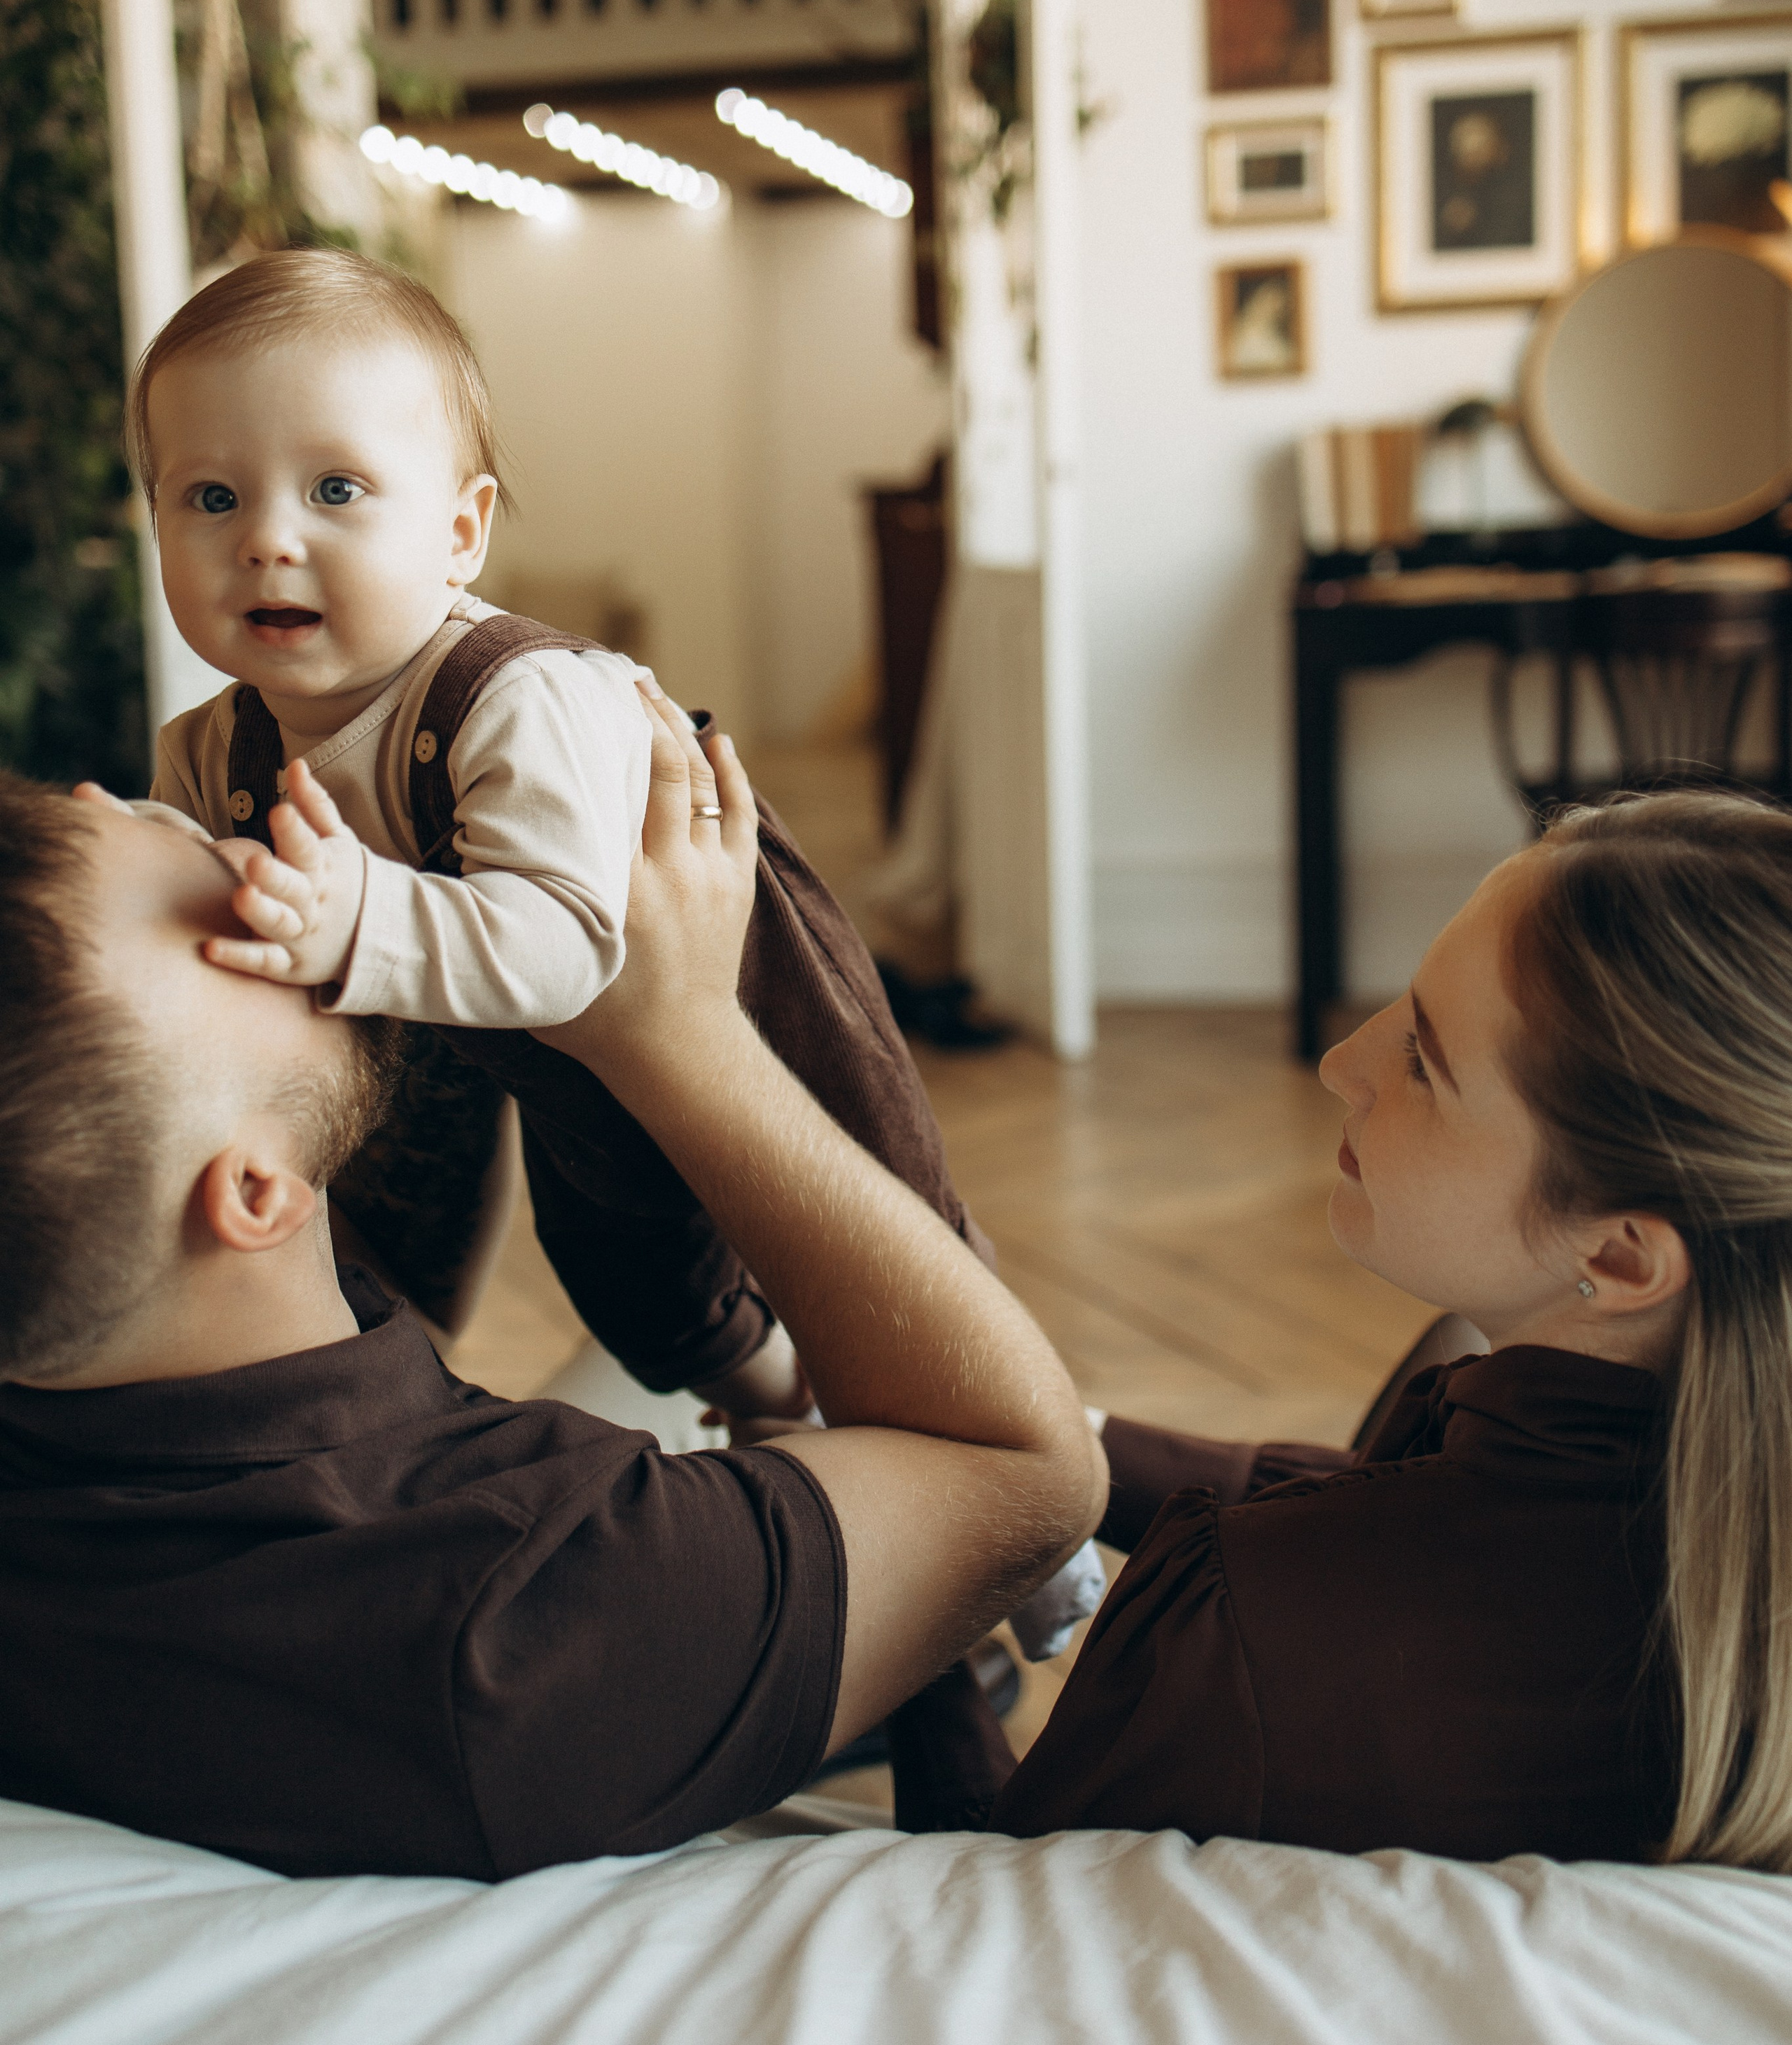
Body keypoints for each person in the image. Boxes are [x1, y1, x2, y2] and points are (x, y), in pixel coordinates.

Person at [115, 246, 1103, 1661]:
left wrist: (347, 922)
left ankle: (1030, 1502)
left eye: (334, 491)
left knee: (880, 1231)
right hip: (505, 1043)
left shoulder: (517, 699)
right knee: (646, 1296)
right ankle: (772, 1409)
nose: (267, 538)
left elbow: (578, 949)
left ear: (459, 533)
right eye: (209, 496)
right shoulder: (211, 746)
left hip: (725, 983)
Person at [0, 701, 1105, 1877]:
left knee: (695, 1361)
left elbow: (377, 1280)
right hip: (566, 1679)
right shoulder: (524, 1617)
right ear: (256, 1195)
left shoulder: (107, 1333)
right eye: (222, 907)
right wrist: (679, 1034)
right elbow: (1029, 1473)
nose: (258, 866)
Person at [918, 793, 1792, 1873]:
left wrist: (930, 1649)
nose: (1344, 1062)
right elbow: (1384, 1494)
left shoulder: (1244, 1635)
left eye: (1425, 1061)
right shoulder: (1716, 1539)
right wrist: (1063, 1441)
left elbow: (985, 1900)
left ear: (1618, 1255)